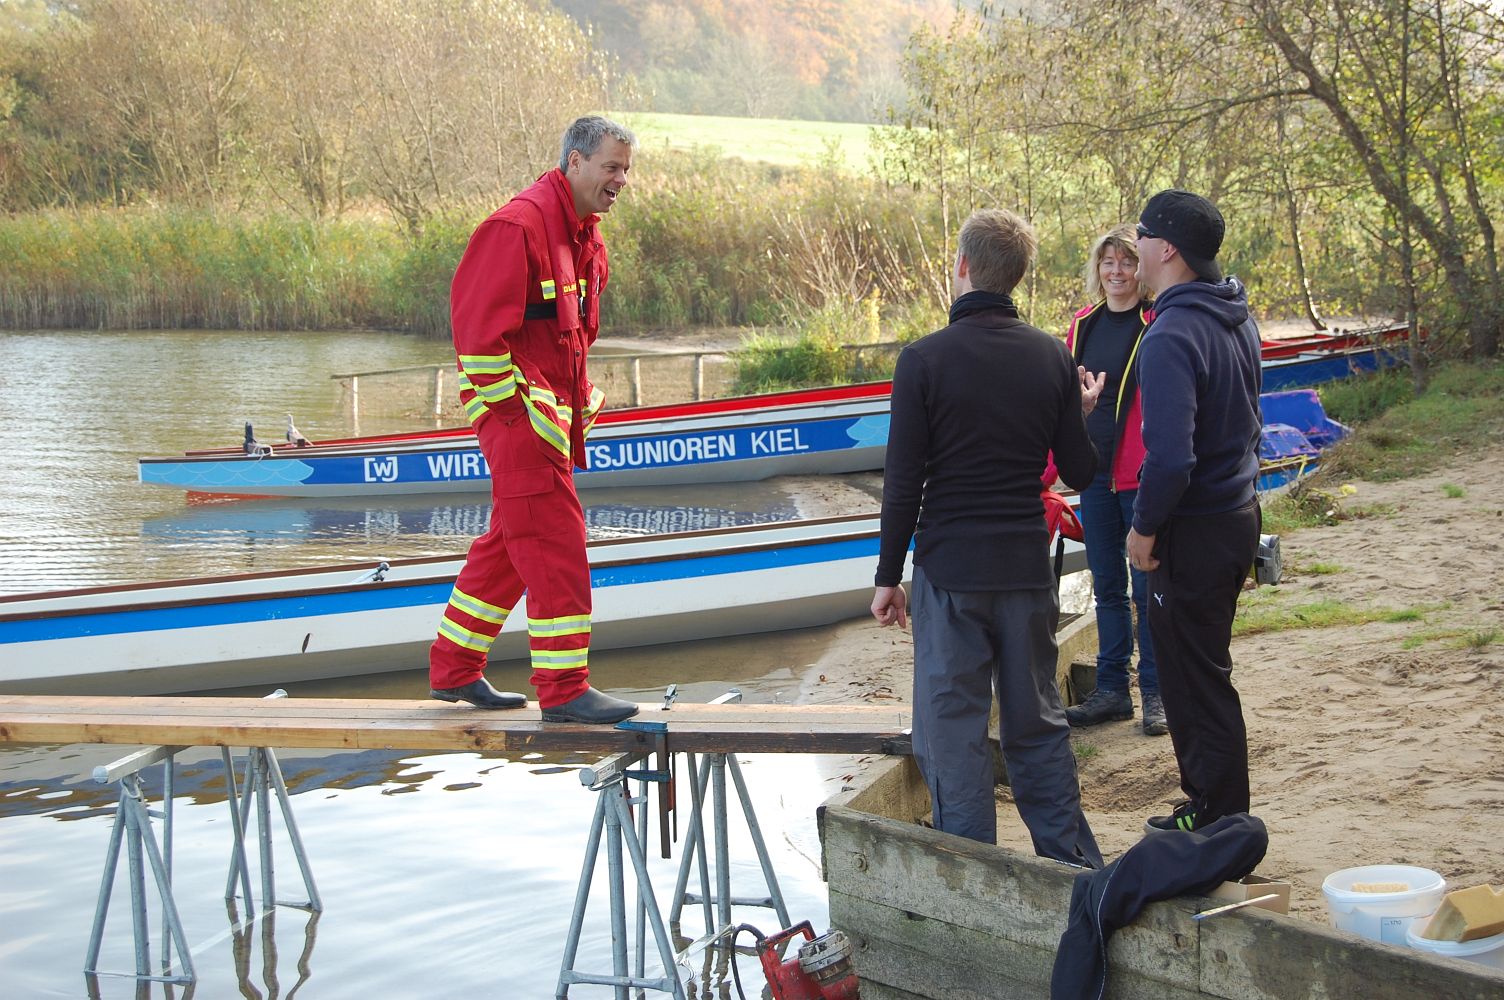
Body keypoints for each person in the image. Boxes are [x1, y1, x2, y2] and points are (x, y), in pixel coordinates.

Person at [871, 208, 1104, 868]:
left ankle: (974, 874)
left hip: (951, 572)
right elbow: (1081, 470)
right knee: (1037, 723)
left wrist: (887, 578)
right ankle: (1073, 869)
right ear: (1017, 276)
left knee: (954, 732)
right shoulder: (1051, 356)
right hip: (1025, 569)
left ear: (963, 266)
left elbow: (904, 482)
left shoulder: (923, 360)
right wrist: (1079, 412)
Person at [428, 115, 641, 725]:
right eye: (611, 167)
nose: (621, 180)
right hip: (519, 420)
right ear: (575, 161)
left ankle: (454, 669)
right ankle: (564, 689)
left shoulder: (583, 236)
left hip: (546, 422)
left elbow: (568, 337)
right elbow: (476, 338)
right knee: (556, 544)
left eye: (625, 169)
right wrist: (514, 416)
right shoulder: (517, 227)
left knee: (508, 546)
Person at [1126, 190, 1263, 832]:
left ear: (1167, 249)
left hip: (1195, 528)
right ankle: (1215, 807)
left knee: (1191, 675)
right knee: (1206, 667)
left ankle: (1216, 818)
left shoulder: (1171, 334)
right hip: (1238, 513)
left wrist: (1143, 527)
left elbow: (1172, 459)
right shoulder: (1235, 314)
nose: (1134, 245)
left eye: (1141, 234)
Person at [1060, 225, 1167, 737]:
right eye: (1108, 262)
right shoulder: (1083, 325)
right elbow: (1063, 404)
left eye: (1126, 261)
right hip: (1094, 473)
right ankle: (1112, 692)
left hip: (1141, 475)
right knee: (1107, 588)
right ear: (1097, 269)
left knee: (1148, 590)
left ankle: (1157, 695)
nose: (1117, 271)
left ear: (1140, 268)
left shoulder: (1156, 321)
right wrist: (1048, 473)